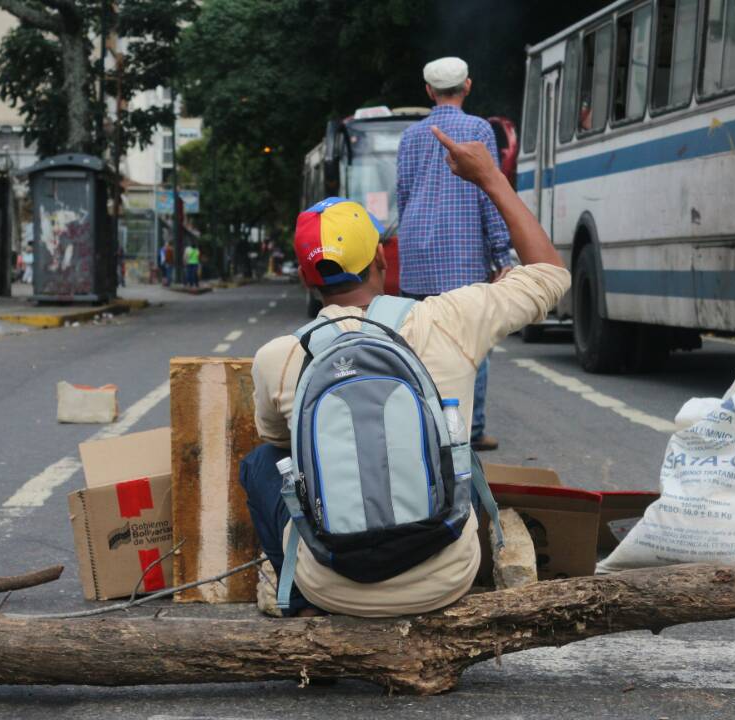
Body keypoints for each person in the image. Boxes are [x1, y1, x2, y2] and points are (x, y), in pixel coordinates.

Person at [244, 126, 569, 618]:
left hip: (333, 586)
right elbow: (550, 274)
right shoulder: (449, 320)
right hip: (445, 578)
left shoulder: (279, 356)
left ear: (307, 278)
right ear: (378, 256)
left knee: (261, 463)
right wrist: (491, 180)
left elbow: (274, 439)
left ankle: (302, 604)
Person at [396, 56, 511, 452]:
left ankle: (423, 425)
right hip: (462, 257)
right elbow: (490, 193)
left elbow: (403, 196)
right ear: (468, 87)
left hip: (416, 256)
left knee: (420, 343)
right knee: (473, 344)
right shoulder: (479, 129)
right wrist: (502, 254)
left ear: (429, 91)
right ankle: (471, 428)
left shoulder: (411, 136)